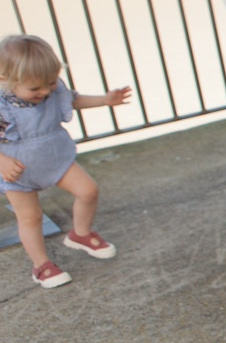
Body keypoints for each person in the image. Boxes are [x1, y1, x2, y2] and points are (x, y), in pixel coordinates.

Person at [0, 34, 131, 288]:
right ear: (5, 80)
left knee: (88, 191)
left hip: (55, 156)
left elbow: (71, 99)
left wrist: (105, 100)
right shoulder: (2, 106)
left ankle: (80, 234)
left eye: (50, 83)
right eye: (35, 89)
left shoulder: (52, 89)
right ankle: (41, 266)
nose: (45, 92)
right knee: (30, 217)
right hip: (17, 170)